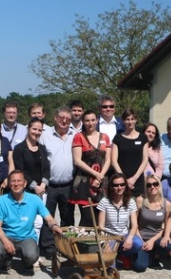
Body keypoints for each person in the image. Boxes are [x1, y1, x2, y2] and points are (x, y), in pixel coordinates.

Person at [0, 170, 63, 274]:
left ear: (25, 183)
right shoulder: (1, 200)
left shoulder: (34, 199)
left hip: (27, 237)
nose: (16, 184)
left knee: (32, 255)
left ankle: (26, 263)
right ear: (9, 183)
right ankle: (6, 261)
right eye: (13, 181)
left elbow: (49, 218)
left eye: (19, 181)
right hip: (7, 236)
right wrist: (6, 242)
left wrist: (55, 226)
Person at [40, 106, 76, 256]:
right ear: (55, 117)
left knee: (67, 217)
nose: (64, 121)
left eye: (68, 119)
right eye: (61, 117)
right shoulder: (45, 135)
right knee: (48, 217)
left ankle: (66, 246)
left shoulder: (76, 135)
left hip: (69, 184)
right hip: (50, 185)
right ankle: (48, 248)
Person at [13, 118, 50, 252]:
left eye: (40, 130)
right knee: (28, 222)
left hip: (42, 191)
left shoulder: (42, 148)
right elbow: (20, 170)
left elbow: (47, 168)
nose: (37, 132)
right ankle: (24, 250)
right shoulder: (19, 149)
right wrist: (35, 186)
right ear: (28, 128)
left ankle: (35, 251)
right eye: (34, 129)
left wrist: (43, 184)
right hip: (27, 190)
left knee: (39, 222)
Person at [70, 110, 112, 222]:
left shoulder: (105, 137)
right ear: (83, 122)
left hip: (102, 183)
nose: (90, 123)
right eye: (87, 120)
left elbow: (108, 160)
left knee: (101, 218)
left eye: (93, 120)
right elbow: (77, 161)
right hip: (84, 183)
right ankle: (82, 240)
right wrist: (96, 174)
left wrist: (101, 176)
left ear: (97, 121)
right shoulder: (78, 137)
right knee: (87, 219)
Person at [97, 173, 142, 270]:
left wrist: (129, 238)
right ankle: (112, 256)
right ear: (111, 187)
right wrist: (106, 242)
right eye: (116, 185)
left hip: (123, 235)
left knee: (138, 243)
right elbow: (101, 226)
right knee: (111, 269)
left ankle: (123, 255)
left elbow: (134, 225)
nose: (119, 187)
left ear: (126, 186)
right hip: (109, 236)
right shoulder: (105, 201)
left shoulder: (130, 201)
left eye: (122, 184)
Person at [136, 174, 171, 270]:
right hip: (141, 237)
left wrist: (152, 241)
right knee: (140, 267)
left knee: (168, 245)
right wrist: (141, 241)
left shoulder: (167, 204)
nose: (152, 187)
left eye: (155, 184)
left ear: (159, 185)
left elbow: (166, 226)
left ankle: (156, 256)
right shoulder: (140, 200)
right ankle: (144, 255)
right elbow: (134, 223)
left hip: (157, 238)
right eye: (149, 185)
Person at [111, 108, 149, 196]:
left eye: (132, 119)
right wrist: (123, 179)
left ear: (136, 120)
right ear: (123, 121)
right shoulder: (118, 138)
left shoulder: (143, 138)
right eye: (127, 119)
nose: (130, 122)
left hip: (138, 179)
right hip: (120, 181)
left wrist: (134, 178)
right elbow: (114, 161)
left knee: (139, 206)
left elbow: (145, 160)